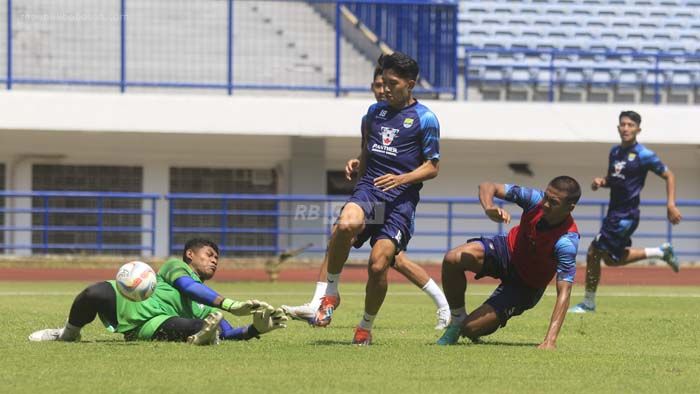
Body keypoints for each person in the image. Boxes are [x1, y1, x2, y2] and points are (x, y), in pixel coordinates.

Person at [282, 60, 450, 330]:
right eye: (381, 83)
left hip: (399, 202)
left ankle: (365, 326)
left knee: (379, 264)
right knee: (343, 226)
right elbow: (367, 150)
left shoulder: (426, 119)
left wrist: (401, 178)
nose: (385, 90)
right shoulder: (373, 114)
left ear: (410, 84)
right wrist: (359, 162)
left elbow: (433, 166)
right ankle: (329, 295)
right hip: (370, 191)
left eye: (392, 84)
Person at [28, 238, 287, 344]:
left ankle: (199, 338)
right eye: (209, 254)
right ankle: (68, 334)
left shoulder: (208, 306)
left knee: (203, 325)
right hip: (125, 302)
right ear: (189, 254)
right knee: (93, 293)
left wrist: (254, 330)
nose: (214, 260)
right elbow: (189, 287)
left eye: (217, 258)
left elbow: (229, 332)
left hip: (152, 323)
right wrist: (228, 303)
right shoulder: (176, 267)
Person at [438, 177, 581, 350]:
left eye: (553, 202)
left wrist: (550, 340)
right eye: (546, 197)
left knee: (470, 329)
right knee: (453, 258)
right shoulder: (534, 199)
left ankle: (471, 322)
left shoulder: (566, 241)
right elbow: (487, 185)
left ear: (570, 208)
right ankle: (457, 318)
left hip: (526, 285)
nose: (545, 204)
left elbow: (564, 291)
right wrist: (489, 207)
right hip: (507, 251)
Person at [569, 111, 681, 314]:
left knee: (594, 251)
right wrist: (602, 182)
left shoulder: (644, 155)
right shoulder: (614, 152)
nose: (626, 128)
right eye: (623, 124)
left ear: (638, 129)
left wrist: (671, 204)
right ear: (618, 128)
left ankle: (588, 303)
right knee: (612, 259)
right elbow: (615, 178)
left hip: (626, 215)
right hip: (614, 213)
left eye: (630, 124)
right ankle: (661, 252)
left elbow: (669, 175)